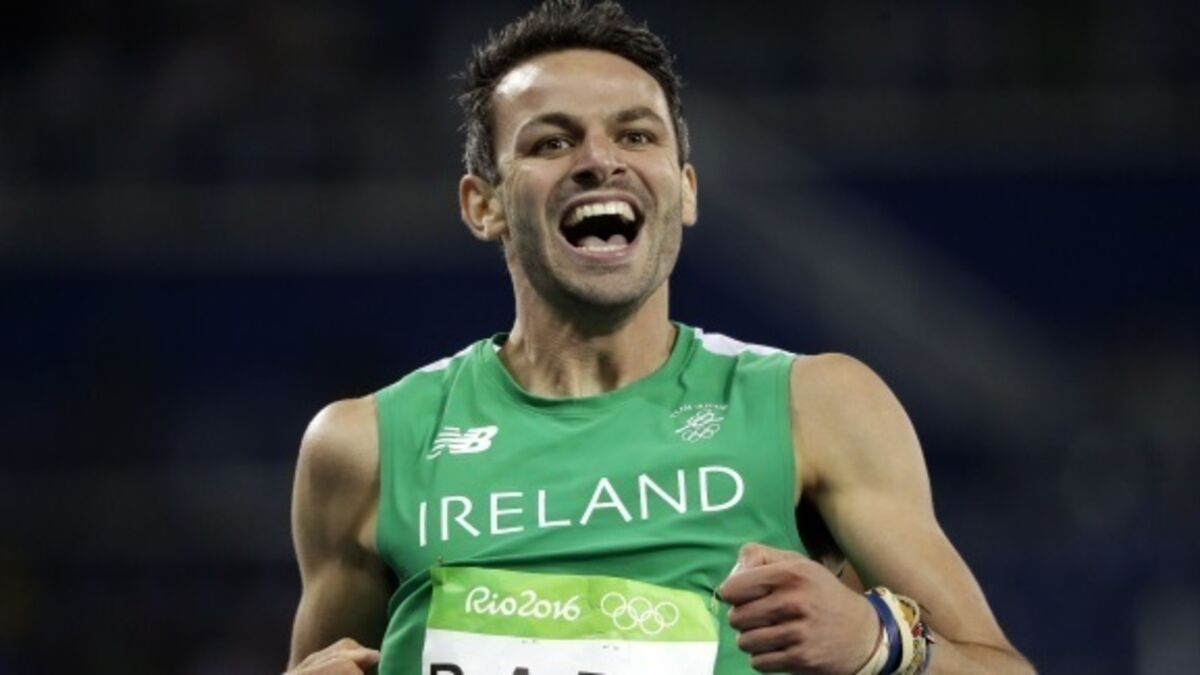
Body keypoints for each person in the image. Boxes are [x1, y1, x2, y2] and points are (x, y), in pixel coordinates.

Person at [285, 1, 1034, 673]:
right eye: (551, 142)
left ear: (686, 188)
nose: (599, 160)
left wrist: (878, 643)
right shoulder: (364, 448)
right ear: (484, 205)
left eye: (636, 134)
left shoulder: (815, 405)